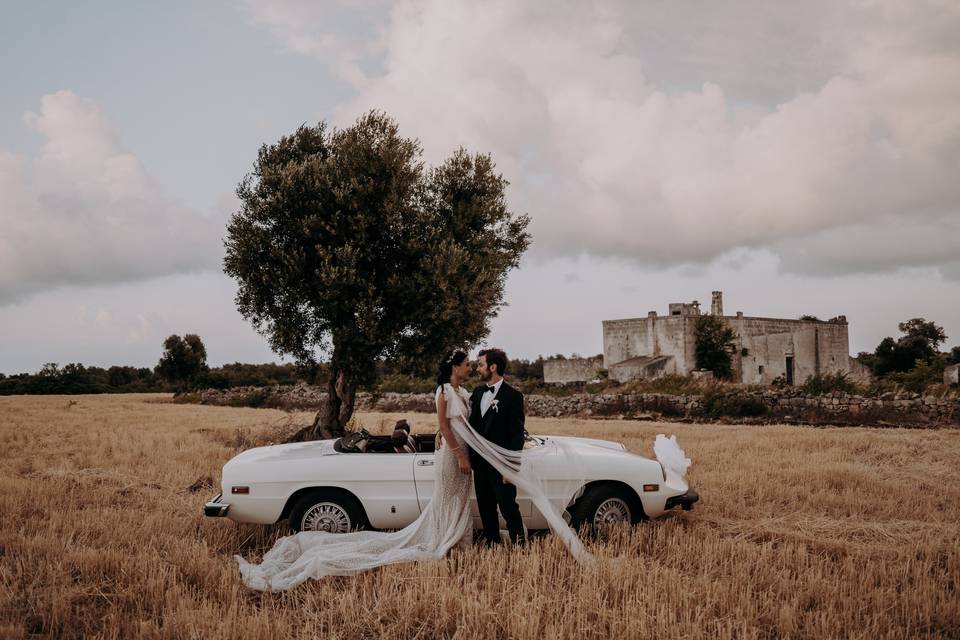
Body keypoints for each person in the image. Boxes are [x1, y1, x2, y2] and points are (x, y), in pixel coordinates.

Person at [234, 350, 475, 590]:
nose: (469, 368)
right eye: (466, 364)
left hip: (457, 452)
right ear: (455, 367)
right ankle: (446, 538)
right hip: (454, 457)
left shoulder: (460, 392)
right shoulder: (443, 392)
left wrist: (441, 435)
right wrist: (459, 454)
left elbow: (449, 425)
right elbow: (445, 425)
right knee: (449, 499)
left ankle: (454, 537)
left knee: (458, 499)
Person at [467, 348, 526, 546]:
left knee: (508, 507)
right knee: (485, 507)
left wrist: (510, 466)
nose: (477, 369)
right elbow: (466, 422)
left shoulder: (513, 396)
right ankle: (492, 542)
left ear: (493, 367)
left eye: (481, 364)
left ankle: (520, 546)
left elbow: (517, 435)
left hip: (501, 463)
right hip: (479, 463)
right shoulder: (478, 392)